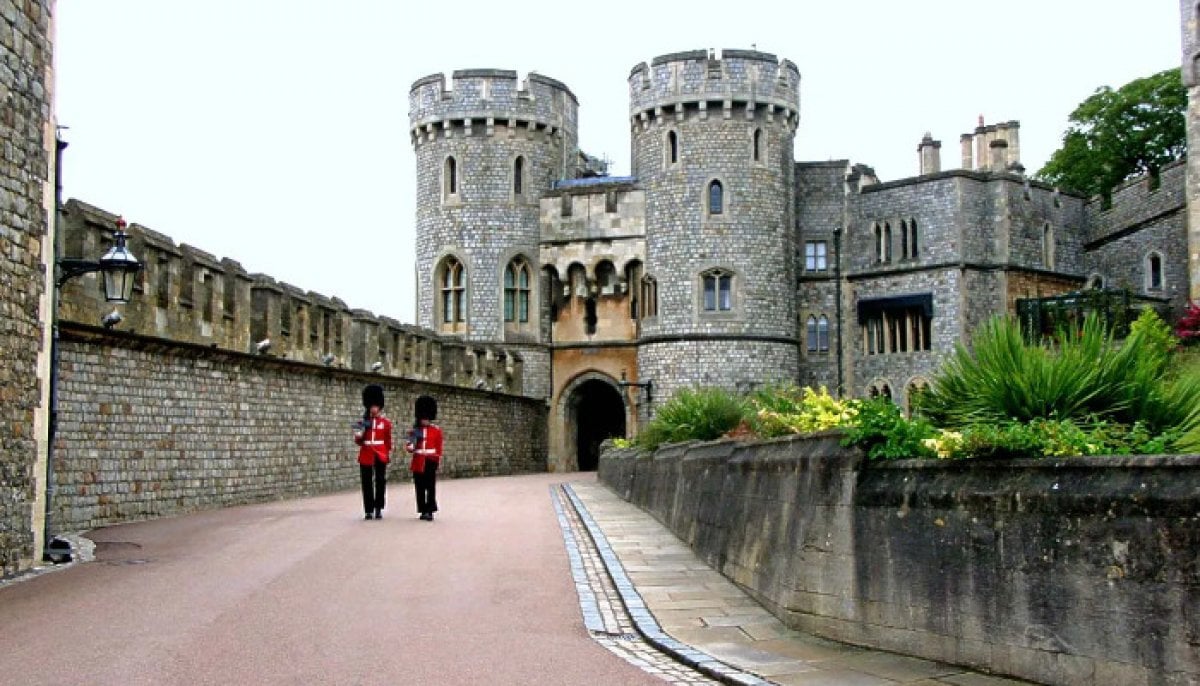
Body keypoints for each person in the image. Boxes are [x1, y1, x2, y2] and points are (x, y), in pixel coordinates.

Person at [354, 384, 392, 520]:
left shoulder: (386, 423)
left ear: (380, 407)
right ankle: (368, 510)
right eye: (372, 406)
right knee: (366, 482)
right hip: (366, 454)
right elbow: (358, 441)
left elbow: (387, 441)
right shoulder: (362, 422)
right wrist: (360, 433)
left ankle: (378, 508)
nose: (374, 409)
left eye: (376, 406)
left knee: (380, 481)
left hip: (380, 454)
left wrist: (387, 454)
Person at [405, 395, 443, 521]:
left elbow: (438, 448)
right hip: (418, 460)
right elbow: (409, 446)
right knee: (420, 487)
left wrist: (437, 461)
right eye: (423, 418)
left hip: (430, 460)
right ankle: (422, 510)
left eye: (427, 418)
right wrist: (410, 446)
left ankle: (430, 510)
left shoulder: (436, 431)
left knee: (430, 487)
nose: (425, 420)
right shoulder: (414, 431)